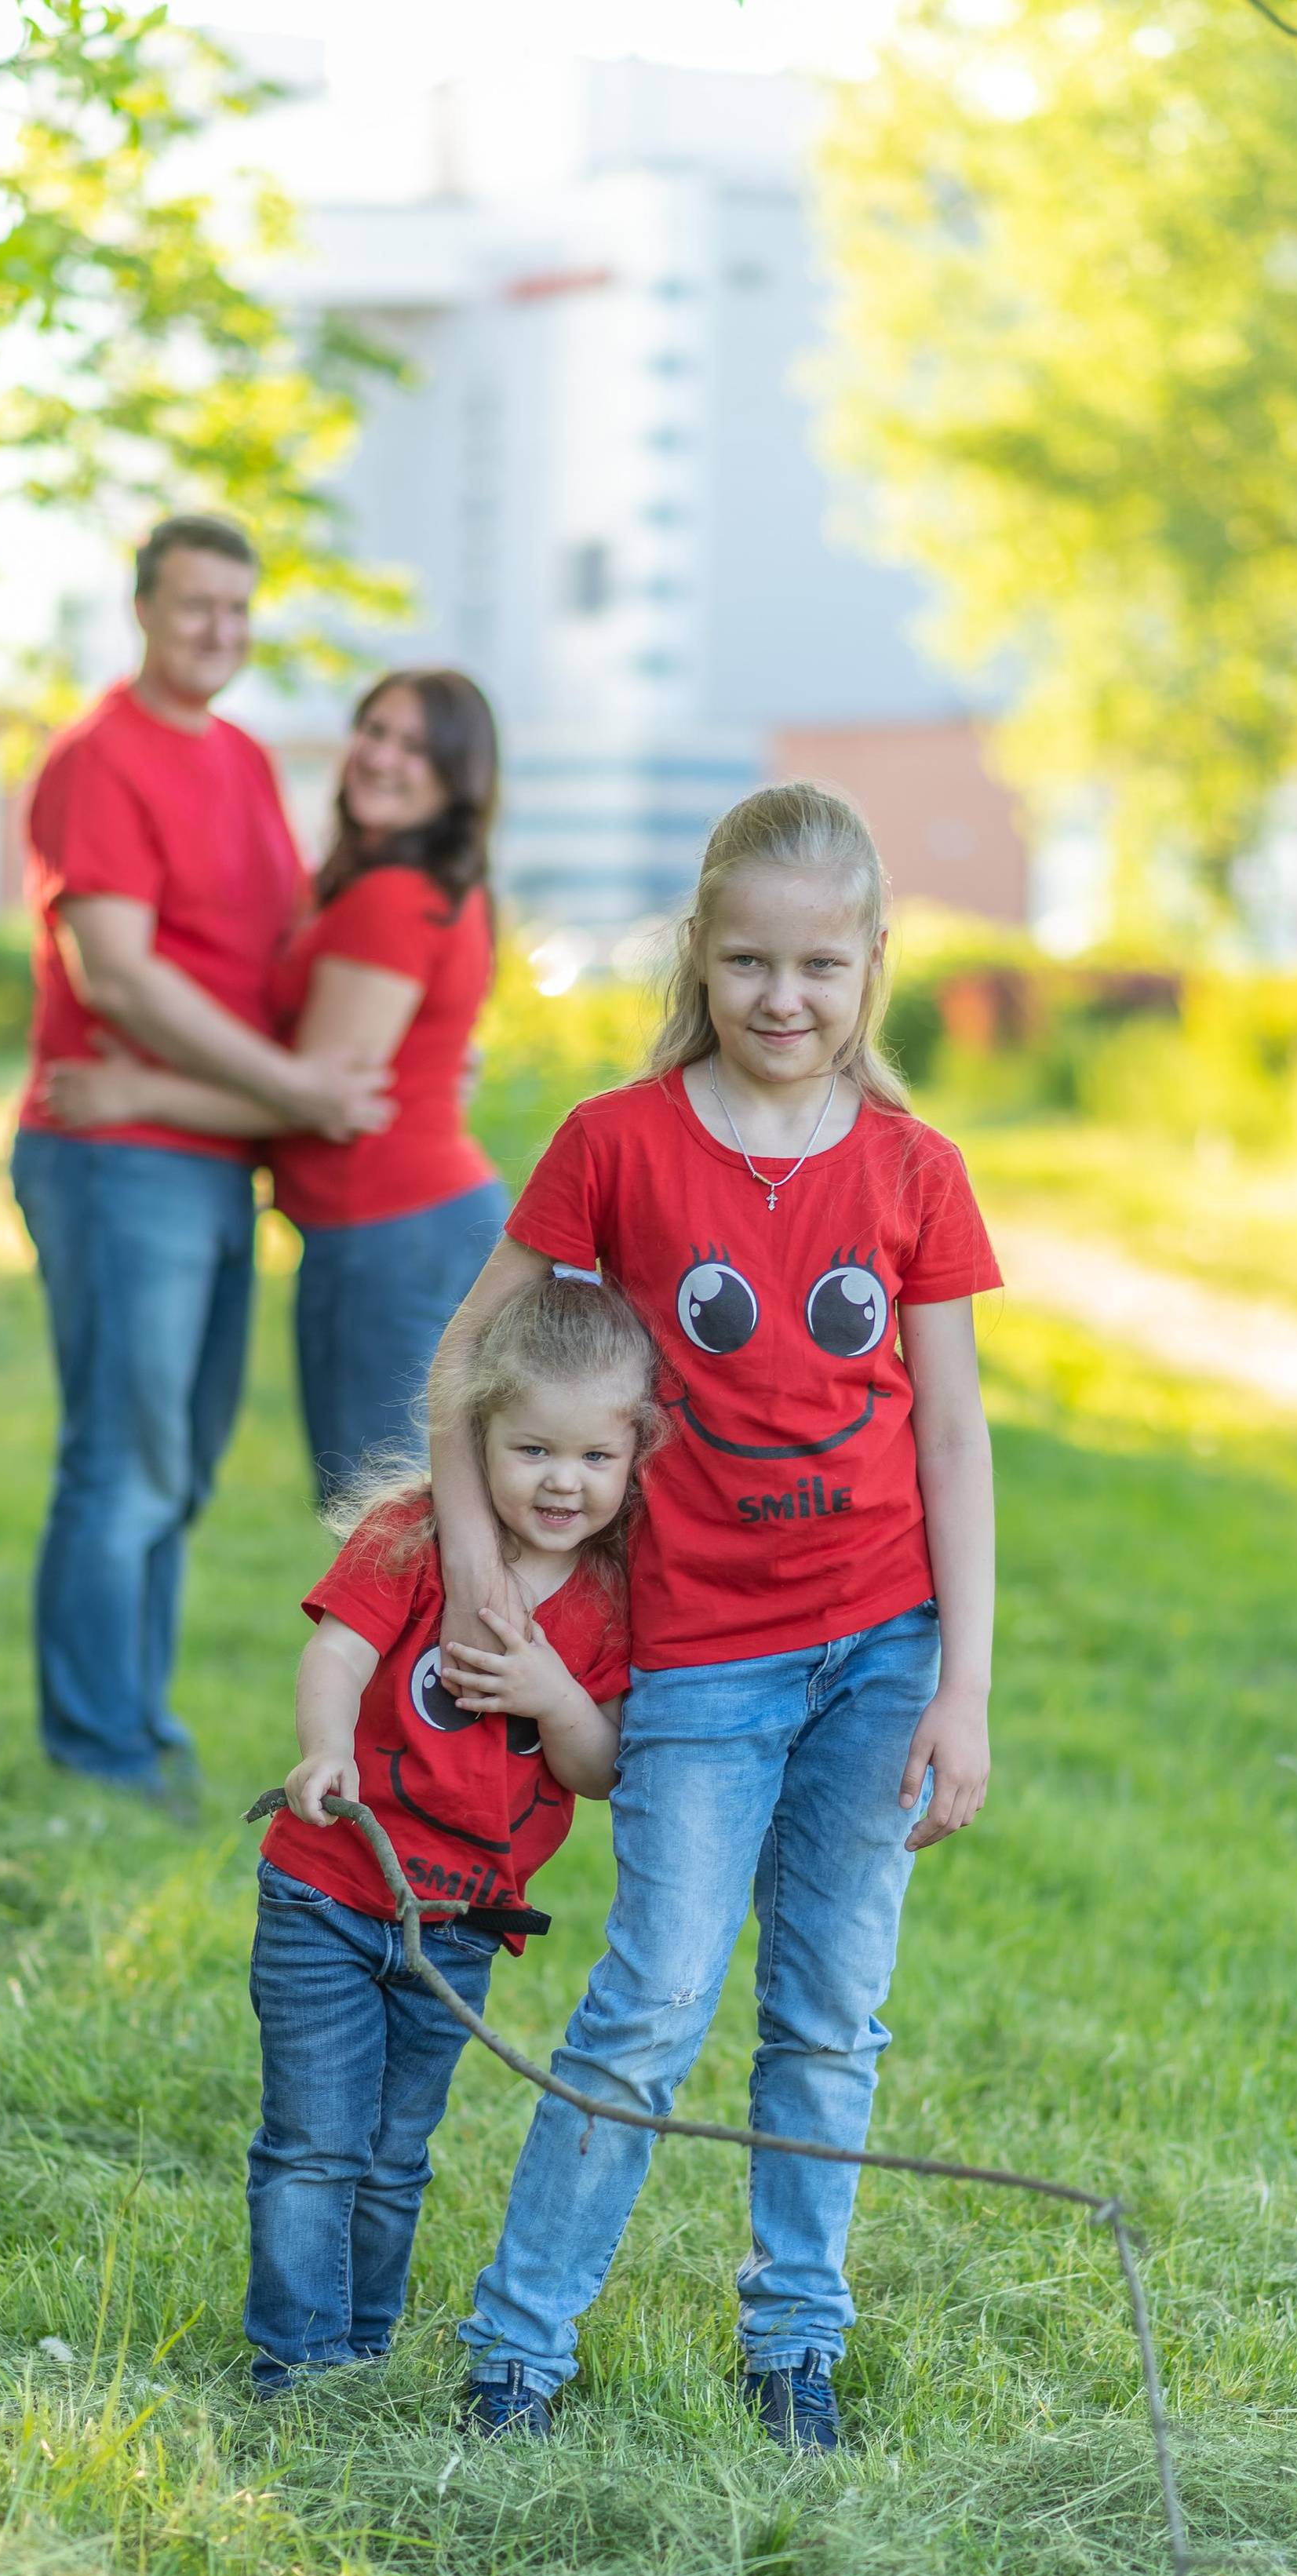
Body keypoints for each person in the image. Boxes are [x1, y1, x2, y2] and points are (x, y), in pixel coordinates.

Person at [429, 782, 1002, 2450]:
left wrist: (959, 1687)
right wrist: (476, 1557)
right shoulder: (615, 1144)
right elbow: (467, 1363)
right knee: (653, 2004)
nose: (781, 998)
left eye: (819, 965)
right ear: (699, 952)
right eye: (748, 959)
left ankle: (793, 2346)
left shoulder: (913, 1169)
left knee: (829, 2011)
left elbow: (950, 1437)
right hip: (703, 1655)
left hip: (879, 1647)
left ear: (873, 963)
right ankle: (517, 2351)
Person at [11, 512, 390, 1802]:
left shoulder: (236, 755)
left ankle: (138, 1726)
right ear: (141, 609)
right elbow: (112, 969)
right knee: (124, 1464)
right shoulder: (97, 759)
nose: (220, 631)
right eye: (195, 606)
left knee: (182, 1466)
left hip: (207, 1151)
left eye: (239, 609)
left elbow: (274, 943)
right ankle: (100, 1749)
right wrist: (292, 1086)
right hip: (117, 1157)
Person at [243, 1274, 662, 2395]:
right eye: (532, 1450)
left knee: (391, 2156)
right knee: (314, 2144)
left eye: (593, 1458)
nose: (562, 1482)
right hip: (332, 1892)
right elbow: (337, 1650)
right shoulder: (413, 1537)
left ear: (635, 1459)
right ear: (476, 1434)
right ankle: (296, 2361)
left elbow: (600, 1764)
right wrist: (324, 1744)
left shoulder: (616, 1599)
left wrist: (551, 1689)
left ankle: (361, 2345)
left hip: (461, 1924)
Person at [47, 669, 506, 1495]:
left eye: (414, 746)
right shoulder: (398, 886)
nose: (382, 757)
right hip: (404, 1230)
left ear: (457, 776)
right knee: (412, 1520)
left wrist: (141, 1094)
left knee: (385, 1528)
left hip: (390, 1236)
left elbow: (320, 1099)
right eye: (374, 731)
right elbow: (323, 1082)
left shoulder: (393, 899)